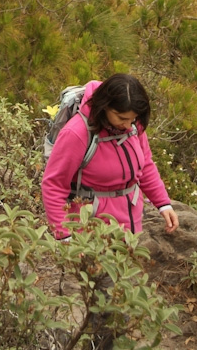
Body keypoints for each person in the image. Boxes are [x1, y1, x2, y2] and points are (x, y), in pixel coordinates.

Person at [42, 74, 179, 240]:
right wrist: (64, 237)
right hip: (89, 232)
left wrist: (163, 204)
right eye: (122, 118)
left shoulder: (134, 126)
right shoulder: (77, 133)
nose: (128, 125)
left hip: (130, 226)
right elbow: (53, 185)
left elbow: (145, 166)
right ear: (105, 106)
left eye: (133, 119)